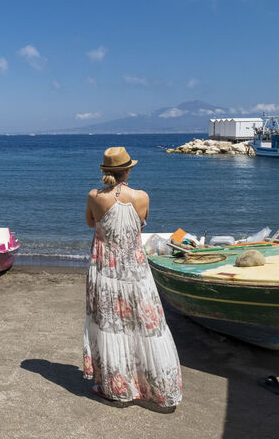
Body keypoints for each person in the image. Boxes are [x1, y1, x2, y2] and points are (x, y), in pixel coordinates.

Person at [83, 146, 182, 409]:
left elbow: (91, 223)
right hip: (136, 272)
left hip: (105, 270)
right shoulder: (142, 197)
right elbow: (142, 221)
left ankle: (117, 387)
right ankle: (156, 387)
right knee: (145, 325)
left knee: (112, 326)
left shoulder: (94, 196)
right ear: (127, 171)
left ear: (105, 171)